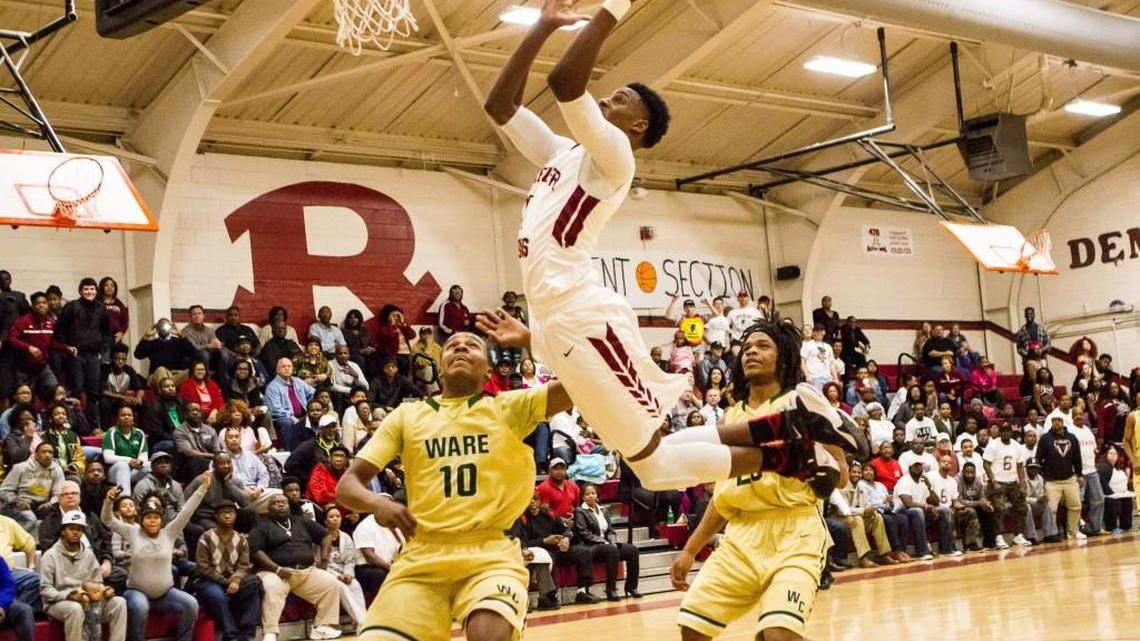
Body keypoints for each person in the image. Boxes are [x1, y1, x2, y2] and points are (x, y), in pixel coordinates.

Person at [481, 0, 856, 492]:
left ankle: (792, 443)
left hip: (583, 316)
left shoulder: (615, 156)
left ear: (637, 127)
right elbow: (499, 107)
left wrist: (613, 7)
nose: (607, 100)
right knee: (654, 468)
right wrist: (541, 27)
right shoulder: (561, 152)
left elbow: (565, 82)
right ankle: (790, 443)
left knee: (656, 464)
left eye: (620, 99)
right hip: (558, 322)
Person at [668, 319, 852, 641]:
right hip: (742, 538)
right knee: (693, 629)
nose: (752, 351)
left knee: (777, 633)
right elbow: (723, 498)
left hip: (795, 532)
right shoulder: (730, 418)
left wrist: (821, 469)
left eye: (764, 345)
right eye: (748, 347)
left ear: (784, 358)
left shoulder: (803, 402)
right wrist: (690, 549)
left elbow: (841, 476)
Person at [102, 473, 207, 641]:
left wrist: (203, 488)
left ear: (161, 520)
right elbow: (108, 520)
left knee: (191, 604)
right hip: (136, 592)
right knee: (140, 607)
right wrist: (108, 501)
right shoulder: (133, 531)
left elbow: (187, 511)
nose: (152, 521)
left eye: (156, 517)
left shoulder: (169, 533)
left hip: (165, 593)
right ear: (141, 520)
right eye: (148, 517)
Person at [248, 494, 342, 641]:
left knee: (330, 583)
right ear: (268, 508)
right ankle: (270, 633)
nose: (280, 505)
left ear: (289, 506)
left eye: (283, 502)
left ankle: (321, 627)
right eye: (276, 503)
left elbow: (325, 536)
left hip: (306, 571)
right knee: (272, 587)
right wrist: (277, 569)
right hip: (275, 572)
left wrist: (324, 559)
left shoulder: (301, 521)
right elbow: (255, 550)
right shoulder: (262, 525)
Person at [40, 510, 128, 641]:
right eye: (71, 528)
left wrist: (104, 590)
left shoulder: (88, 554)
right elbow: (45, 589)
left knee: (119, 602)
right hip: (59, 602)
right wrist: (67, 595)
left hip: (88, 600)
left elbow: (97, 582)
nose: (76, 532)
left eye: (80, 529)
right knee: (75, 609)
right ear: (63, 531)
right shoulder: (50, 555)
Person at [191, 499, 262, 641]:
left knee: (256, 584)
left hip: (232, 581)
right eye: (223, 513)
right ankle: (231, 635)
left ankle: (247, 634)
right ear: (216, 517)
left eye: (231, 513)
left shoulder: (241, 539)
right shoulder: (206, 537)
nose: (228, 516)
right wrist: (226, 582)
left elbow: (243, 565)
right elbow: (203, 568)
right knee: (217, 594)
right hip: (208, 581)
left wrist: (235, 580)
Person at [53, 278, 111, 430]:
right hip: (76, 356)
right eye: (86, 289)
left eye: (92, 289)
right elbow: (59, 329)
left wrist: (101, 350)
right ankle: (77, 426)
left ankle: (93, 427)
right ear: (80, 291)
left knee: (93, 392)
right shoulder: (72, 307)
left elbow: (107, 332)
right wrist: (67, 346)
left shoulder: (101, 308)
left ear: (96, 291)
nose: (89, 292)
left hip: (93, 356)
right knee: (77, 390)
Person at [572, 483, 640, 601]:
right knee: (611, 550)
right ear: (583, 497)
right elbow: (584, 533)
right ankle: (611, 589)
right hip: (591, 546)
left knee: (632, 550)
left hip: (607, 545)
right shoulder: (580, 511)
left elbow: (611, 530)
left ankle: (631, 586)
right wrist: (604, 542)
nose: (591, 496)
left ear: (597, 495)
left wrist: (612, 541)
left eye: (593, 493)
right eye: (587, 494)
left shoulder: (603, 510)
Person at [981, 422, 1031, 547]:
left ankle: (1018, 535)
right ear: (999, 433)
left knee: (1022, 507)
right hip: (998, 482)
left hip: (1013, 482)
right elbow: (986, 463)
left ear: (1011, 432)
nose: (1005, 433)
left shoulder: (1017, 446)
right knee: (1000, 508)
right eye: (1002, 431)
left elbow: (1020, 466)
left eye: (1007, 431)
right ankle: (998, 536)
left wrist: (1022, 484)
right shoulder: (993, 445)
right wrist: (993, 481)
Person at [1038, 417, 1084, 540]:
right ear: (1051, 423)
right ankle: (1051, 533)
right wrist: (1042, 474)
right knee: (1051, 509)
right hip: (1052, 480)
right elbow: (1038, 458)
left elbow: (1077, 457)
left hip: (1070, 479)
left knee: (1076, 506)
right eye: (1054, 421)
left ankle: (1073, 532)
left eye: (1059, 421)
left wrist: (1079, 474)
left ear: (1063, 423)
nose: (1056, 423)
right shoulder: (1045, 439)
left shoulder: (1072, 438)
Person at [0, 440, 63, 530]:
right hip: (16, 504)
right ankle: (17, 542)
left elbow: (58, 493)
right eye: (44, 452)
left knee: (61, 516)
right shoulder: (20, 467)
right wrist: (17, 501)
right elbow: (4, 490)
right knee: (30, 519)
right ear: (36, 455)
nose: (47, 455)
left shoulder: (57, 470)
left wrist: (50, 504)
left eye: (50, 452)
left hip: (41, 506)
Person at [322, 505, 367, 629]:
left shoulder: (346, 537)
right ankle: (363, 621)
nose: (335, 519)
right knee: (341, 587)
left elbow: (350, 560)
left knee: (355, 585)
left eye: (338, 516)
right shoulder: (320, 537)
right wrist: (338, 576)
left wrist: (348, 574)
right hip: (328, 573)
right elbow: (319, 564)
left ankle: (359, 623)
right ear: (325, 521)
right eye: (331, 517)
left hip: (344, 571)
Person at [264, 357, 315, 448]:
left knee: (316, 415)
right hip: (283, 418)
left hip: (303, 415)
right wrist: (291, 416)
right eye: (283, 366)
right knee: (286, 422)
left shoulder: (297, 381)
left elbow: (312, 393)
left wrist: (312, 405)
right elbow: (276, 410)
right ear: (277, 370)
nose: (287, 368)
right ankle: (291, 450)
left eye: (289, 366)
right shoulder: (272, 387)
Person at [350, 511, 401, 594]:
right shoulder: (365, 526)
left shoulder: (395, 525)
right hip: (365, 567)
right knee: (379, 574)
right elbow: (370, 557)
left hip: (388, 566)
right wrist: (391, 568)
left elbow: (402, 548)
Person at [102, 406, 149, 493]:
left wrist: (139, 463)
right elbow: (107, 457)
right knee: (123, 465)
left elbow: (144, 457)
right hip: (115, 471)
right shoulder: (112, 433)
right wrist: (129, 461)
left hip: (134, 470)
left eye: (129, 415)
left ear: (133, 419)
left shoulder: (139, 433)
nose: (126, 417)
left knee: (150, 466)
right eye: (123, 415)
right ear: (118, 419)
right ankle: (124, 499)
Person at [172, 402, 218, 482]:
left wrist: (217, 456)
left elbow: (216, 450)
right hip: (188, 465)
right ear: (185, 414)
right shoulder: (179, 431)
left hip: (210, 461)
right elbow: (188, 452)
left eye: (198, 410)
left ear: (202, 414)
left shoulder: (210, 430)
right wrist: (212, 455)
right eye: (191, 410)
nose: (195, 412)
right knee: (197, 460)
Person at [1098, 446, 1133, 533]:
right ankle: (1111, 526)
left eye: (1115, 454)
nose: (1113, 455)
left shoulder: (1120, 468)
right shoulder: (1103, 467)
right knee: (1113, 502)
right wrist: (1112, 494)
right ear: (1106, 455)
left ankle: (1126, 525)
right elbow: (1103, 484)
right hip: (1108, 495)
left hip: (1121, 494)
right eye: (1111, 453)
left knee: (1128, 501)